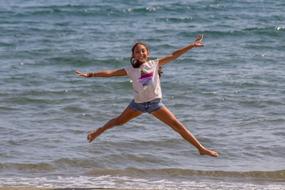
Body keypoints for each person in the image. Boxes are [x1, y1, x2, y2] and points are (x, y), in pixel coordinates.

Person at [76, 35, 219, 157]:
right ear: (133, 56)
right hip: (137, 104)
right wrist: (90, 75)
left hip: (155, 104)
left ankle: (201, 148)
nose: (141, 53)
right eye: (137, 52)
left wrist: (191, 45)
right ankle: (97, 132)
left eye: (143, 51)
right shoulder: (130, 70)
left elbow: (174, 55)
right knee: (118, 121)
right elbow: (110, 73)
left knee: (177, 125)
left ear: (148, 53)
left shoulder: (155, 64)